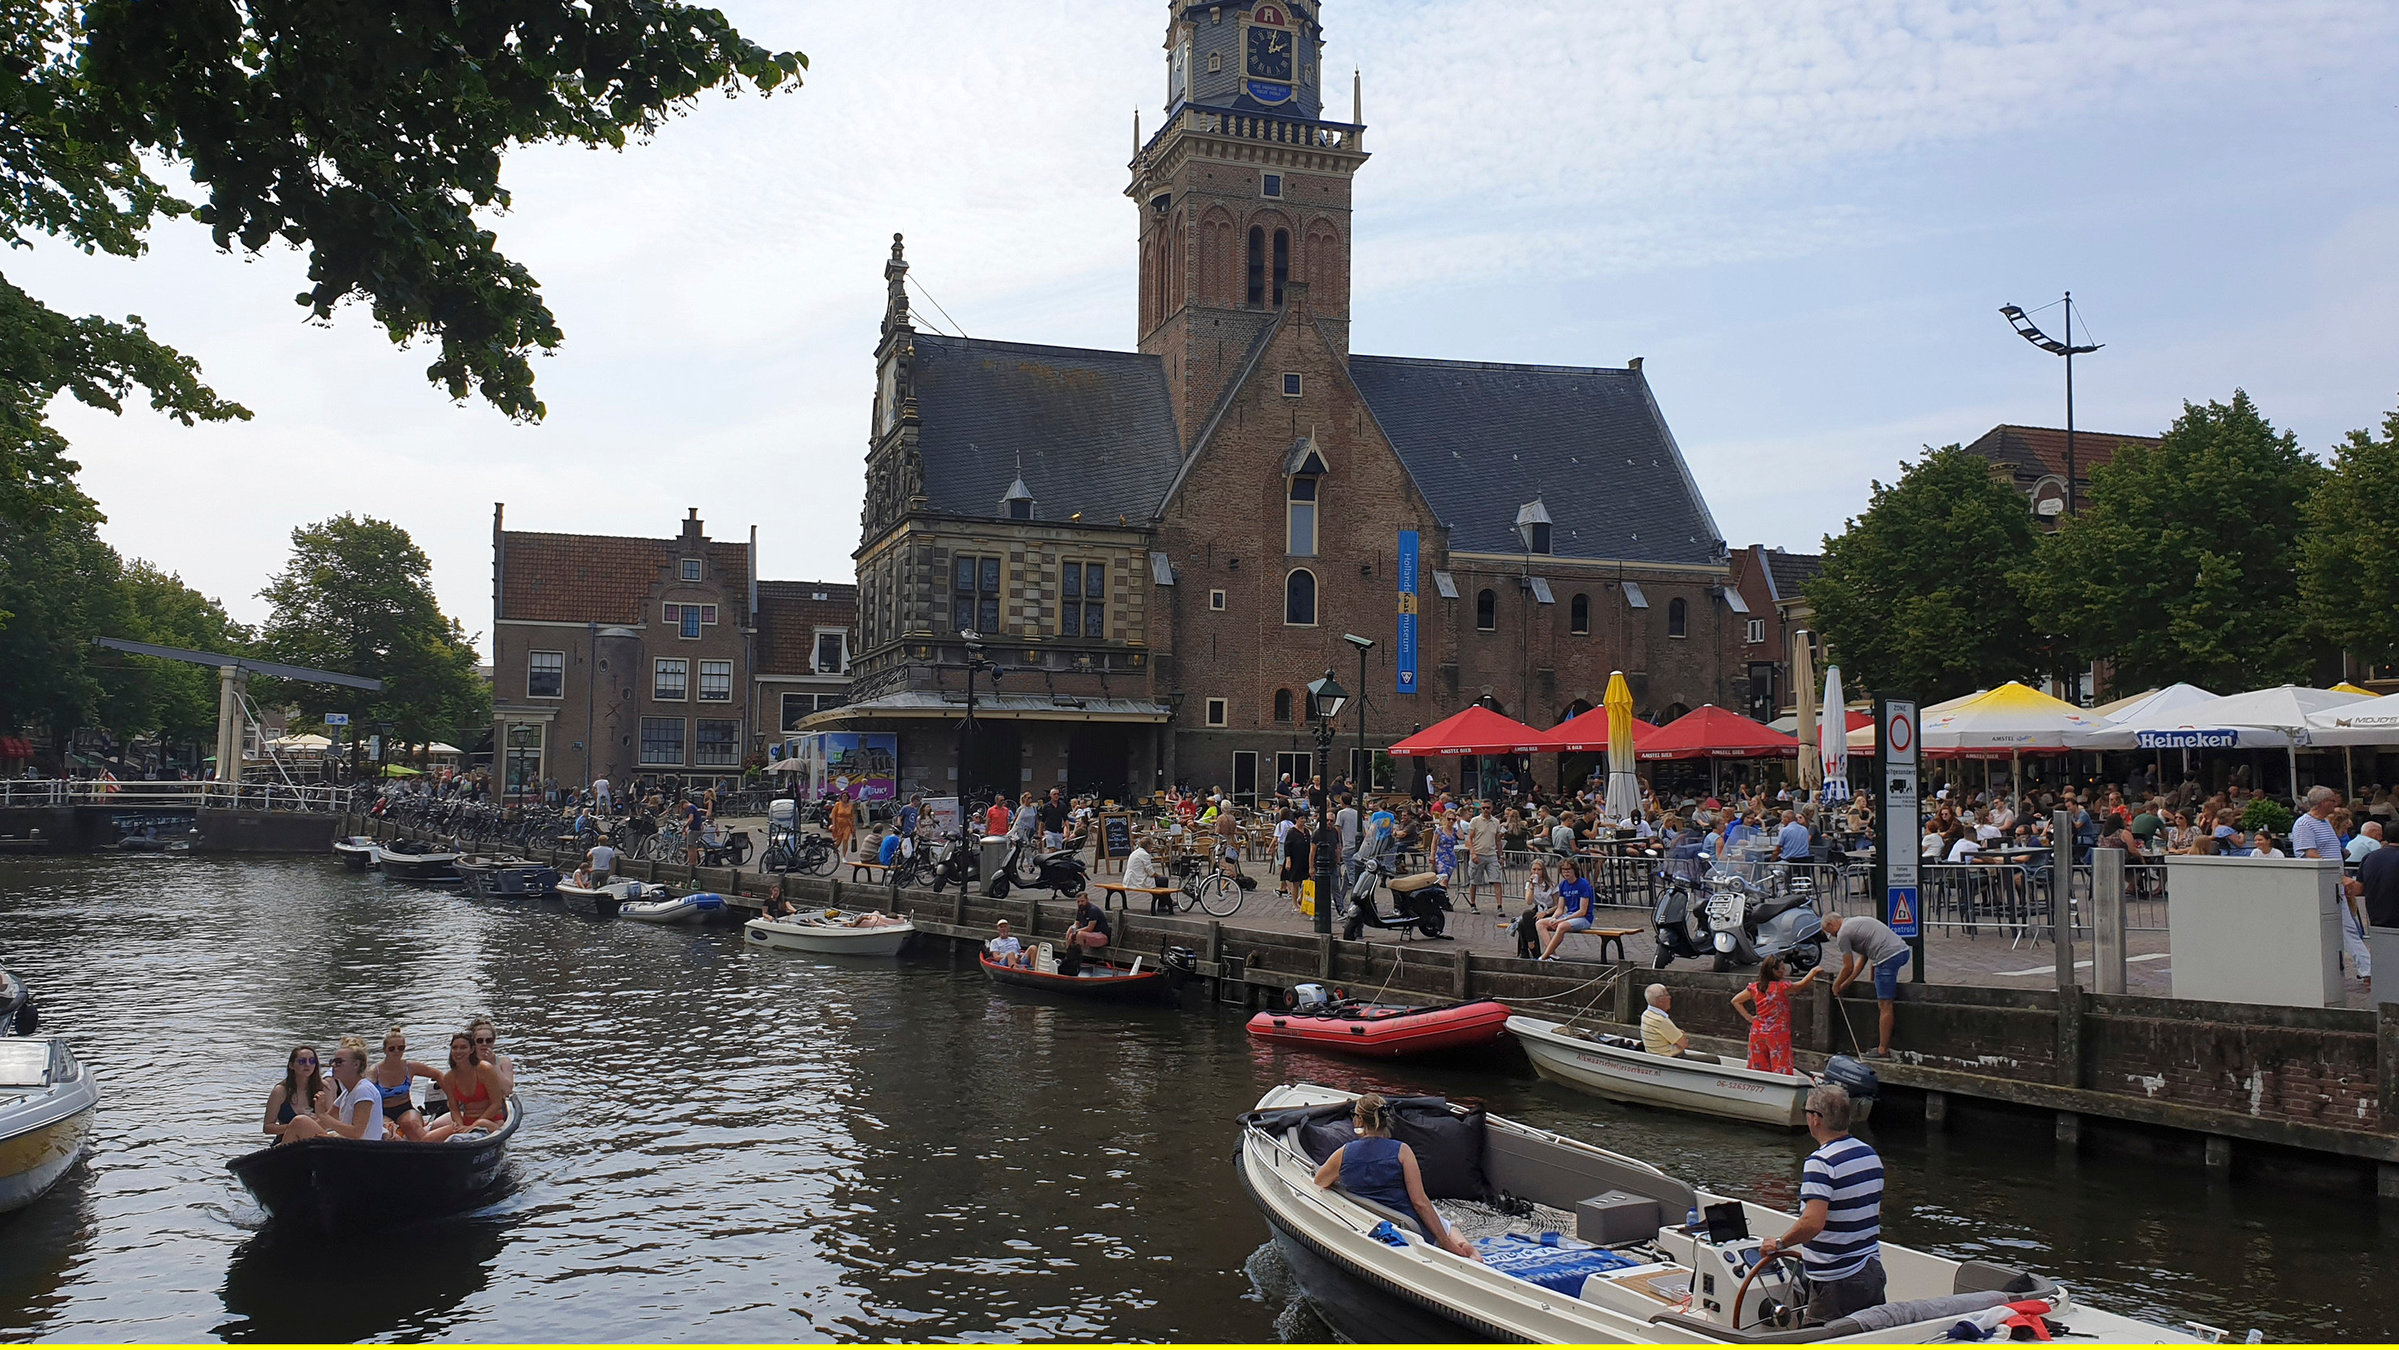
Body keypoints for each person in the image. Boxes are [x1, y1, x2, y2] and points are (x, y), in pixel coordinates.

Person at [1758, 1084, 1886, 1323]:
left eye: (1806, 1111)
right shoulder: (1869, 1154)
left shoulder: (1820, 1162)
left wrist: (1779, 1243)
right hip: (1871, 1270)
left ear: (1816, 1119)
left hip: (1837, 1281)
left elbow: (1813, 1222)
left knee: (1815, 1340)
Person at [1309, 1093, 1478, 1260]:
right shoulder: (1402, 1151)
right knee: (1449, 1227)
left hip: (1372, 1221)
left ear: (1358, 1120)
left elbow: (1320, 1181)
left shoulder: (1343, 1154)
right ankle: (1467, 1252)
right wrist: (1445, 1241)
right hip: (1409, 1224)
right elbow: (1420, 1202)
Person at [1823, 913, 1908, 1058]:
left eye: (1829, 932)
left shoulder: (1843, 933)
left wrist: (1836, 985)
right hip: (1902, 951)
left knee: (1885, 1005)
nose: (1833, 935)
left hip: (1887, 957)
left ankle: (1882, 1050)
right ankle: (1883, 1046)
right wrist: (1847, 983)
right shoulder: (1855, 923)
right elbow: (1864, 958)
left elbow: (1848, 966)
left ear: (1831, 924)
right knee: (1884, 996)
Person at [279, 1037, 386, 1142]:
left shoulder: (364, 1090)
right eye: (333, 1061)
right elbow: (323, 1123)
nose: (333, 1065)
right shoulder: (346, 1093)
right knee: (299, 1124)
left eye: (339, 1062)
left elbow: (356, 1133)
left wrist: (322, 1115)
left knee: (300, 1121)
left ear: (356, 1064)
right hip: (347, 1145)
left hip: (361, 1151)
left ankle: (278, 1156)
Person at [1733, 955, 1822, 1074]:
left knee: (1758, 1069)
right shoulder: (1781, 988)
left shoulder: (1755, 987)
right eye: (1782, 968)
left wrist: (1750, 1018)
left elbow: (1736, 1001)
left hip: (1757, 1032)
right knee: (1781, 1068)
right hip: (1777, 1034)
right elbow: (1801, 984)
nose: (1784, 970)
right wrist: (1813, 971)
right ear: (1774, 971)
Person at [423, 1030, 508, 1141]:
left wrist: (476, 1124)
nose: (458, 1051)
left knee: (480, 1124)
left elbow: (496, 1103)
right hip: (466, 1122)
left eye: (463, 1047)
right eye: (455, 1048)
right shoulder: (449, 1077)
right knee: (427, 1139)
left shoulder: (485, 1069)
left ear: (472, 1050)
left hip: (491, 1121)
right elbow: (454, 1107)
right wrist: (459, 1125)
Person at [367, 1026, 441, 1141]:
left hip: (405, 1108)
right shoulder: (374, 1071)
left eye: (400, 1048)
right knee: (388, 1131)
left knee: (411, 1124)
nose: (396, 1051)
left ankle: (430, 1150)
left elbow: (438, 1075)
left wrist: (453, 1098)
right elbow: (365, 1087)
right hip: (382, 1111)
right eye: (392, 1049)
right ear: (385, 1050)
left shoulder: (410, 1067)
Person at [261, 1045, 329, 1144]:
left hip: (314, 1141)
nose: (307, 1065)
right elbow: (267, 1128)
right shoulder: (280, 1091)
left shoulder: (323, 1088)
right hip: (286, 1142)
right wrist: (297, 1126)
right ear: (291, 1065)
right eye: (302, 1061)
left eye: (312, 1061)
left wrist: (316, 1120)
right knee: (300, 1122)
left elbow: (331, 1120)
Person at [1536, 858, 1596, 960]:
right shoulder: (1563, 885)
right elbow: (1560, 908)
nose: (1566, 872)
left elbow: (1582, 911)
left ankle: (1544, 956)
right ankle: (1552, 953)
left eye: (1568, 870)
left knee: (1561, 926)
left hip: (1584, 918)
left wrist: (1562, 919)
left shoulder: (1583, 884)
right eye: (1563, 870)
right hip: (1569, 915)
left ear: (1574, 870)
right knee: (1540, 923)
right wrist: (1553, 918)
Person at [1464, 802, 1502, 915]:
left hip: (1491, 854)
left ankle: (1500, 906)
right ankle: (1473, 904)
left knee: (1497, 880)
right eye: (1483, 808)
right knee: (1474, 881)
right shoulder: (1475, 821)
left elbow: (1498, 840)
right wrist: (1473, 853)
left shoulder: (1496, 822)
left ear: (1492, 808)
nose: (1485, 810)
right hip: (1478, 853)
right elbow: (1469, 839)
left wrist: (1501, 856)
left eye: (1488, 808)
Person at [2291, 787, 2342, 862]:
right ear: (2323, 802)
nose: (2335, 804)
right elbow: (2311, 855)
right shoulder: (2304, 824)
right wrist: (2331, 869)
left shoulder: (2325, 822)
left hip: (2334, 872)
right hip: (2323, 872)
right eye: (2333, 801)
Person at [468, 1018, 516, 1097]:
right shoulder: (468, 1062)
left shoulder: (503, 1062)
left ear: (493, 1042)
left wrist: (493, 1064)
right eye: (480, 1040)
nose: (484, 1044)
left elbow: (507, 1090)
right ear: (473, 1042)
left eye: (488, 1040)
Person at [1639, 984, 1689, 1057]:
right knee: (1710, 1059)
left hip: (1654, 1055)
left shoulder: (1645, 1014)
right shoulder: (1661, 1021)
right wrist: (1680, 1034)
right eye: (1667, 995)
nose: (1670, 997)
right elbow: (1684, 1043)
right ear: (1660, 1001)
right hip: (1672, 1058)